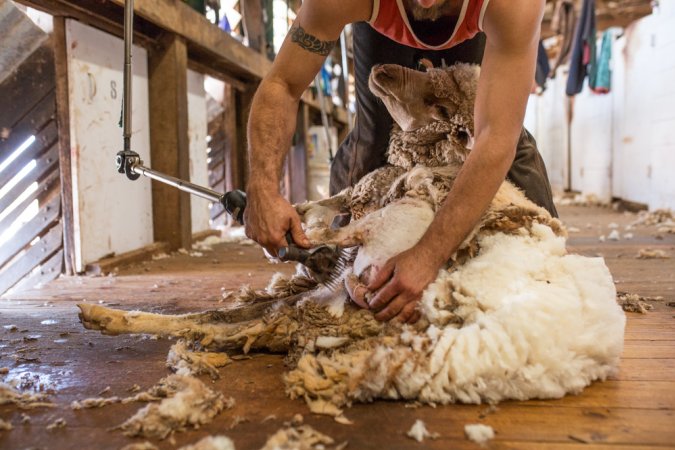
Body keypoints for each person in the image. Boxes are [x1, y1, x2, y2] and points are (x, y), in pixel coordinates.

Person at [244, 0, 555, 324]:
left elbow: (495, 137)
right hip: (382, 17)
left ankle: (546, 262)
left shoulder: (514, 5)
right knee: (373, 135)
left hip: (479, 20)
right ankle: (340, 262)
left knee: (488, 127)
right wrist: (263, 189)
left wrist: (428, 255)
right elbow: (283, 85)